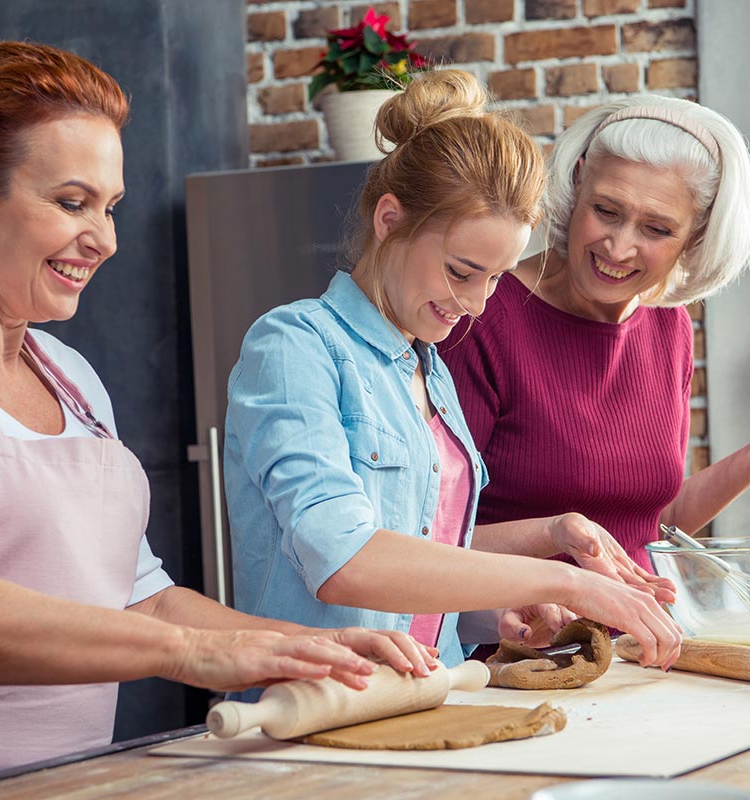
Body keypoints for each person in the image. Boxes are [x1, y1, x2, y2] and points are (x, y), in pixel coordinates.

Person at [0, 36, 437, 800]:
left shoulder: (71, 377)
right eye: (71, 202)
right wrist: (183, 653)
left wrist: (310, 646)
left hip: (62, 784)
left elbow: (136, 593)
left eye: (110, 207)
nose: (106, 239)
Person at [223, 70, 684, 686]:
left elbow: (427, 560)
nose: (475, 304)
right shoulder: (295, 346)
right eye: (461, 271)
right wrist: (560, 576)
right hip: (319, 708)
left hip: (425, 699)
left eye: (494, 278)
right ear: (390, 219)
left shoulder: (430, 371)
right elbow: (344, 561)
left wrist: (538, 557)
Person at [439, 95, 750, 582]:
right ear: (577, 179)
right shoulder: (481, 318)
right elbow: (432, 537)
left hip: (632, 642)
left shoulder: (668, 329)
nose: (619, 246)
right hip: (513, 646)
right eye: (606, 210)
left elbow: (652, 523)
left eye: (656, 228)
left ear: (696, 235)